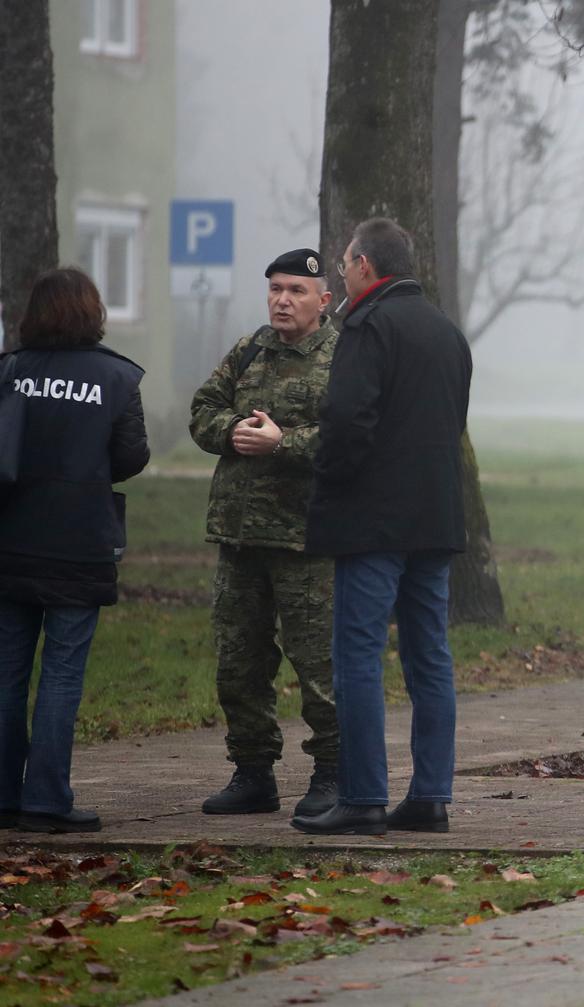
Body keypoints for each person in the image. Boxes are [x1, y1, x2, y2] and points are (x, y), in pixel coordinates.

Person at [291, 219, 473, 836]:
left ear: (366, 265)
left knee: (358, 656)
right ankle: (431, 796)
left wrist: (329, 481)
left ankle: (364, 795)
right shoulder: (448, 332)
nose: (340, 272)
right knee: (430, 657)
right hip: (436, 518)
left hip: (373, 521)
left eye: (344, 262)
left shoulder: (366, 327)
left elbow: (346, 423)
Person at [190, 249, 340, 818]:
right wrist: (231, 431)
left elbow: (353, 437)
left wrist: (285, 443)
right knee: (239, 663)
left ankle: (332, 773)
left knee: (318, 666)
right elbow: (203, 407)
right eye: (275, 288)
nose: (282, 299)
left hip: (307, 540)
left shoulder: (343, 356)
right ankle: (252, 773)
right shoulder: (250, 349)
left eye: (296, 290)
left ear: (322, 300)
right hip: (240, 535)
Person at [0, 268, 149, 833]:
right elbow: (132, 457)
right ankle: (46, 800)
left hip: (11, 543)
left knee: (7, 673)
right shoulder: (116, 378)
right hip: (80, 545)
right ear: (93, 314)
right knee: (61, 675)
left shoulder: (10, 371)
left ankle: (4, 796)